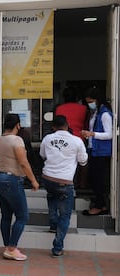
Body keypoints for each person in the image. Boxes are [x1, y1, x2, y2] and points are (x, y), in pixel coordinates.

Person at [0, 114, 39, 261]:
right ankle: (12, 248)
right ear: (17, 125)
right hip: (11, 180)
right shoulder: (17, 140)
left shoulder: (0, 140)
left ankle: (8, 246)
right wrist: (33, 180)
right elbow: (24, 163)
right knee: (22, 216)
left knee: (6, 215)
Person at [40, 115, 88, 257]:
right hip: (64, 181)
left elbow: (42, 155)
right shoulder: (77, 141)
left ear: (53, 127)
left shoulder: (47, 138)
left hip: (47, 178)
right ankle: (57, 248)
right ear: (67, 125)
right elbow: (83, 160)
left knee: (52, 196)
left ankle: (53, 225)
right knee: (65, 215)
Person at [81, 86, 113, 216]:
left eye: (91, 102)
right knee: (94, 178)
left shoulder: (105, 114)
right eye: (87, 102)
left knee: (98, 179)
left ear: (97, 100)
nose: (89, 104)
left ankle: (100, 205)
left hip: (102, 151)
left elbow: (109, 134)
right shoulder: (95, 113)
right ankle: (100, 204)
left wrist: (93, 134)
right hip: (94, 149)